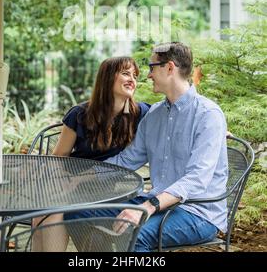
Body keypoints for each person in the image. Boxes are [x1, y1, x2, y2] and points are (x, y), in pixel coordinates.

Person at [66, 42, 228, 252]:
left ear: (169, 68)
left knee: (135, 233)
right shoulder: (154, 115)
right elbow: (126, 160)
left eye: (152, 67)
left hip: (198, 212)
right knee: (77, 212)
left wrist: (148, 206)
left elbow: (197, 179)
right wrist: (83, 176)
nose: (148, 75)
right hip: (156, 201)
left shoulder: (208, 116)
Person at [32, 56, 150, 251]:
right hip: (75, 181)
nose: (132, 80)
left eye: (135, 76)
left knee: (51, 213)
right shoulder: (80, 114)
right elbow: (58, 157)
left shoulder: (140, 113)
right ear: (107, 78)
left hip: (114, 187)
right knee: (46, 214)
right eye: (125, 73)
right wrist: (63, 185)